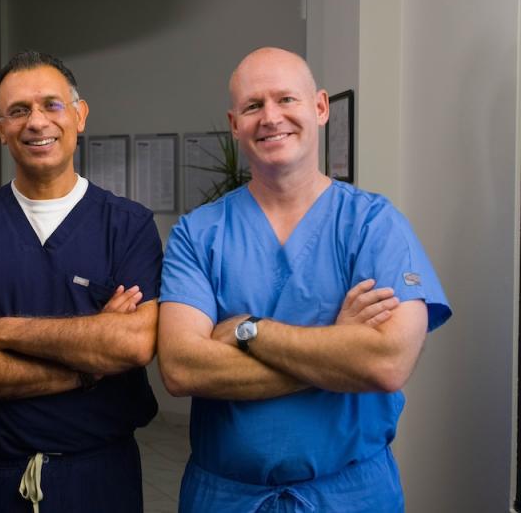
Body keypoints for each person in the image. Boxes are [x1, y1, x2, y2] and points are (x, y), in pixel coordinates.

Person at [158, 47, 452, 512]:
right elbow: (182, 368)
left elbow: (388, 363)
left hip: (351, 495)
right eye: (253, 106)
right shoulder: (198, 234)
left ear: (319, 107)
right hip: (226, 496)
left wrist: (247, 330)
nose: (270, 117)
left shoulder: (374, 225)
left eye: (286, 100)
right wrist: (338, 350)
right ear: (235, 124)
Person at [0, 51, 162, 512]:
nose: (36, 122)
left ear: (79, 115)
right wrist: (88, 365)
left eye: (51, 105)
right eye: (18, 110)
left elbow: (134, 344)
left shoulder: (128, 225)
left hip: (99, 477)